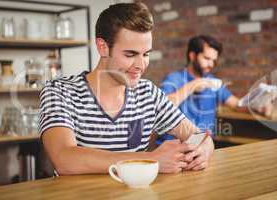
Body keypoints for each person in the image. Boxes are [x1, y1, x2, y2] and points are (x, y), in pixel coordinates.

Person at [39, 3, 214, 175]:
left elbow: (198, 136)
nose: (141, 65)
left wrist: (204, 149)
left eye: (145, 54)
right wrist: (150, 160)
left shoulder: (148, 93)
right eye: (130, 54)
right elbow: (64, 159)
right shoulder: (58, 91)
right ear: (103, 47)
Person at [156, 35, 272, 145]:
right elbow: (161, 108)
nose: (211, 64)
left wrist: (259, 106)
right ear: (192, 56)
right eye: (206, 58)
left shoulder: (213, 81)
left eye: (214, 60)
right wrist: (193, 85)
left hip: (203, 148)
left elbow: (237, 104)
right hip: (174, 147)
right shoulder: (174, 78)